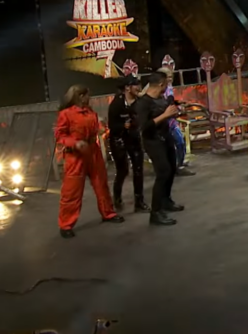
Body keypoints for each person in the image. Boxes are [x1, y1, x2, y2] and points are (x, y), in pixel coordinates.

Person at [55, 85, 124, 238]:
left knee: (101, 184)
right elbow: (60, 135)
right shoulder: (66, 114)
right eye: (87, 95)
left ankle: (108, 213)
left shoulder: (89, 111)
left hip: (93, 151)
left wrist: (100, 128)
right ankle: (66, 224)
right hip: (75, 155)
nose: (89, 98)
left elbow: (95, 125)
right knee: (72, 191)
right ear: (80, 96)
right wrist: (75, 143)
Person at [136, 72, 184, 226]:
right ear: (161, 84)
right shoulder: (143, 103)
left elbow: (167, 113)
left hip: (165, 137)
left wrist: (174, 113)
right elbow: (144, 126)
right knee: (163, 172)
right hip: (153, 141)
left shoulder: (161, 99)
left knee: (171, 169)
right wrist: (165, 115)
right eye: (166, 84)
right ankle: (155, 212)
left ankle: (166, 201)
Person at [107, 76, 149, 212]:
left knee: (138, 169)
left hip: (134, 138)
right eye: (135, 85)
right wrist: (122, 126)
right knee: (122, 170)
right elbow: (111, 125)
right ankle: (117, 198)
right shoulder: (116, 104)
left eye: (139, 84)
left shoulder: (139, 103)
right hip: (118, 139)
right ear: (127, 88)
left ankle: (139, 202)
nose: (138, 88)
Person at [155, 67, 195, 176]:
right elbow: (164, 104)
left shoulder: (169, 88)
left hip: (171, 120)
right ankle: (177, 166)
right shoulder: (158, 91)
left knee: (180, 142)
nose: (170, 79)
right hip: (165, 121)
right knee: (177, 142)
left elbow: (170, 101)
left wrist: (178, 104)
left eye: (171, 76)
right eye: (168, 77)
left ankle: (179, 163)